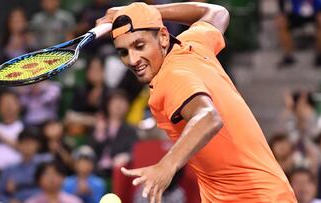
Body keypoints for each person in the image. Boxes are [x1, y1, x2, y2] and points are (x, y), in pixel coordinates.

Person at [96, 2, 297, 202]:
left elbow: (208, 117)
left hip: (253, 197)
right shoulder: (192, 43)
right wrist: (148, 13)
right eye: (123, 52)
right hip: (250, 193)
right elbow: (216, 12)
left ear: (164, 37)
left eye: (140, 46)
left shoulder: (172, 76)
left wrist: (167, 165)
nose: (132, 59)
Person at [0, 129, 45, 203]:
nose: (27, 146)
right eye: (24, 143)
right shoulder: (9, 169)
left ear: (37, 145)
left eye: (30, 143)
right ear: (18, 145)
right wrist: (9, 200)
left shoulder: (45, 163)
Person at [276, 0, 321, 67]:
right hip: (297, 12)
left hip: (317, 11)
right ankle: (288, 57)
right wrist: (282, 12)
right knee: (281, 22)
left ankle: (320, 55)